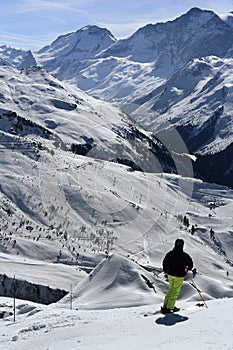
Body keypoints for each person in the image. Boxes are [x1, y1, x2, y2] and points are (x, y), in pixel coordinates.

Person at [161, 238, 193, 314]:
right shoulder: (185, 256)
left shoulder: (170, 253)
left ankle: (165, 306)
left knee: (170, 290)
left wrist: (165, 271)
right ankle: (170, 308)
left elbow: (165, 262)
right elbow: (191, 264)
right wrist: (187, 268)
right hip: (179, 276)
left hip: (170, 275)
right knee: (175, 292)